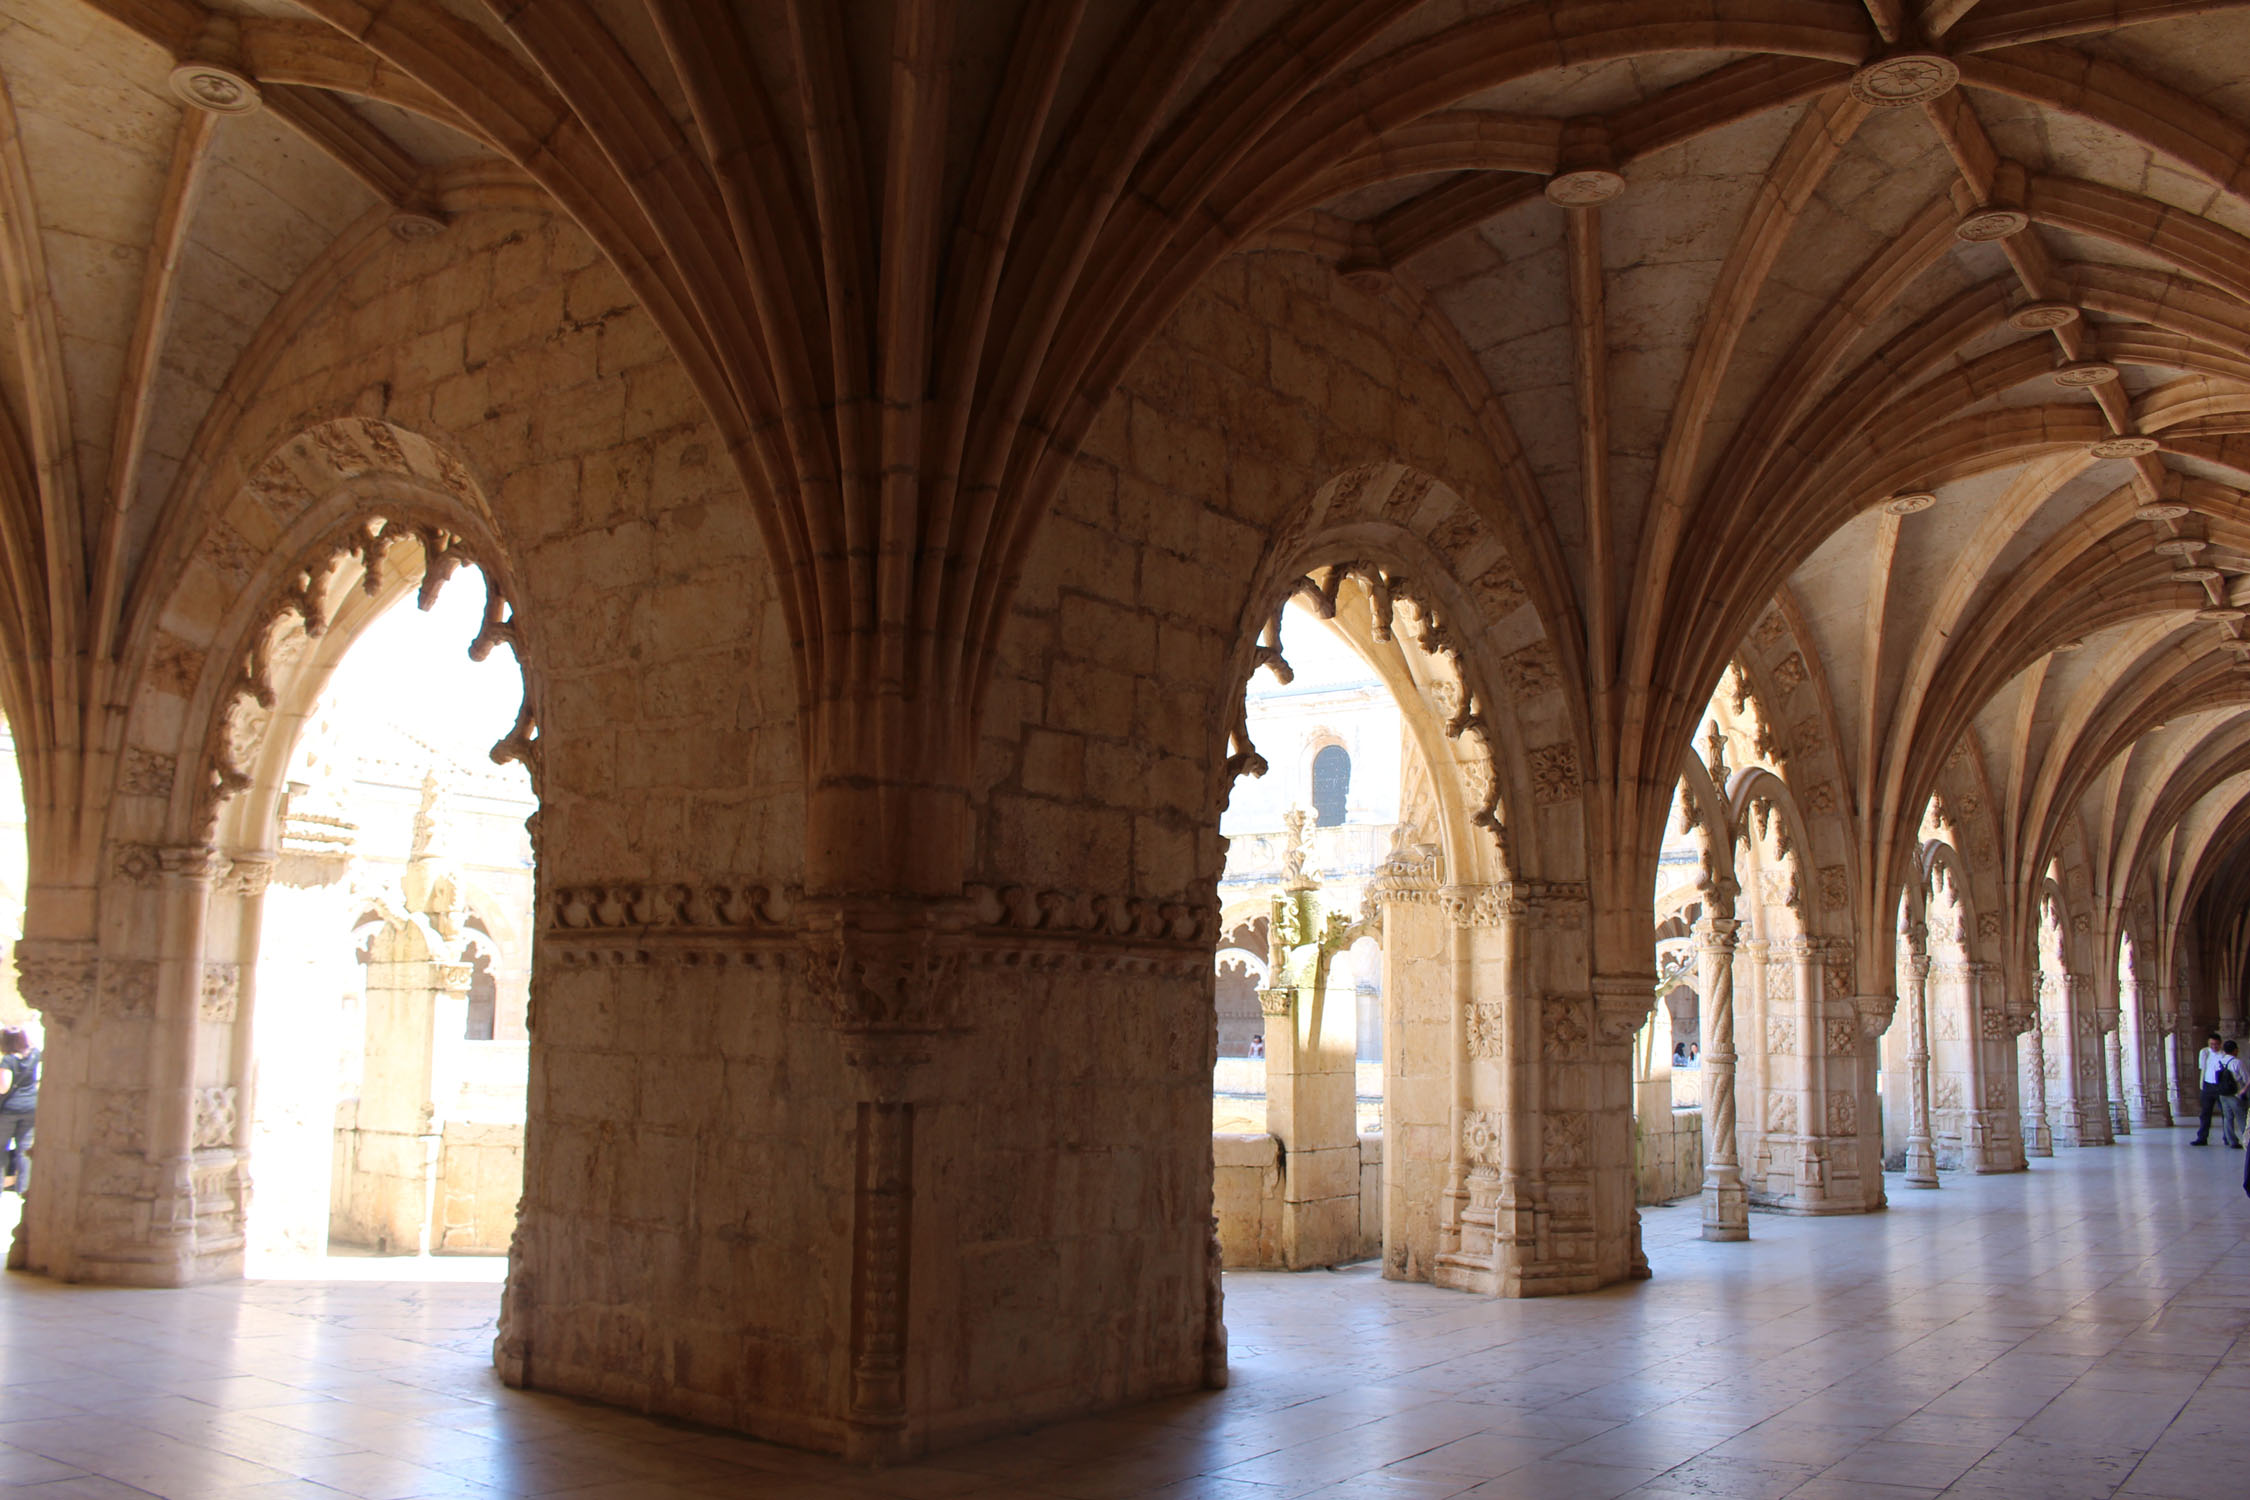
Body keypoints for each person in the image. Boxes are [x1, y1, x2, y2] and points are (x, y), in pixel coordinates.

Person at [0, 1027, 36, 1193]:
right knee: (24, 1150)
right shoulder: (34, 1055)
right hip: (31, 1107)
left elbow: (3, 1087)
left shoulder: (8, 1060)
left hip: (9, 1110)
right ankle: (23, 1191)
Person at [2193, 1032, 2227, 1144]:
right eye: (2211, 1044)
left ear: (2220, 1044)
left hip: (2220, 1086)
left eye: (2216, 1044)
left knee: (2225, 1113)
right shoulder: (2204, 1052)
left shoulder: (2223, 1055)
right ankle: (2202, 1137)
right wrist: (2201, 1086)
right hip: (2207, 1086)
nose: (2214, 1047)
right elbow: (2202, 1068)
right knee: (2205, 1113)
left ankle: (2228, 1138)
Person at [2223, 1041, 2248, 1149]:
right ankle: (2246, 1139)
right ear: (2235, 1050)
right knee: (2242, 1117)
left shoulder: (2220, 1060)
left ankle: (2231, 1140)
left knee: (2227, 1117)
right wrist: (2244, 1091)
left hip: (2223, 1094)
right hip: (2236, 1094)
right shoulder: (2237, 1062)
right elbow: (2247, 1079)